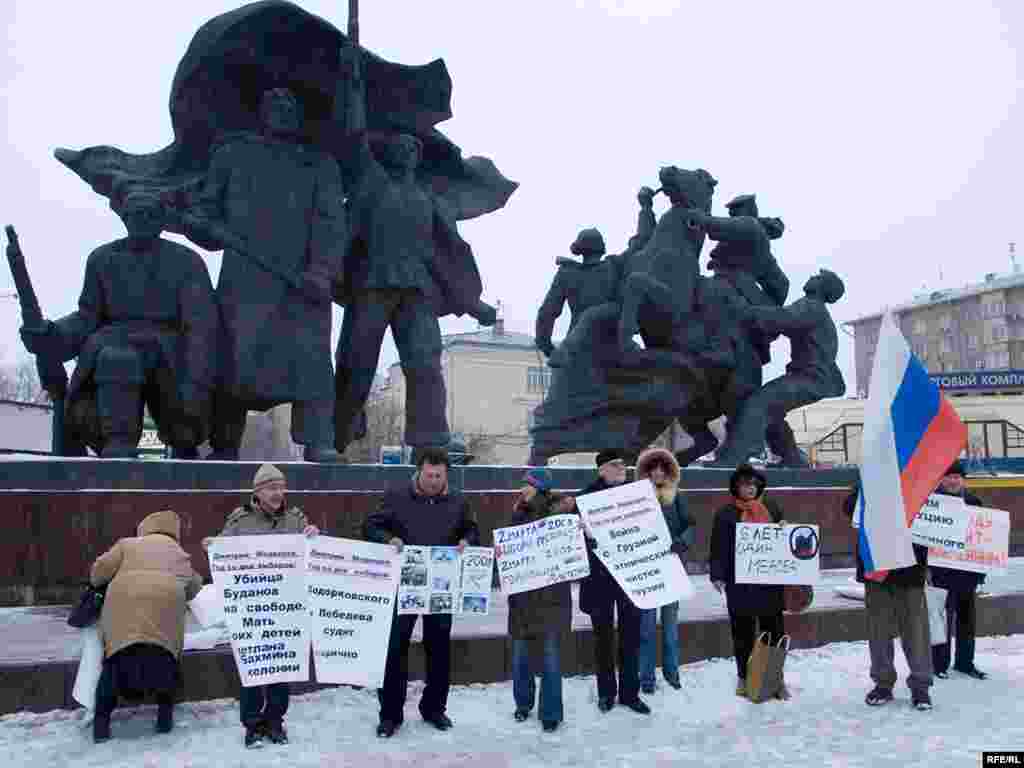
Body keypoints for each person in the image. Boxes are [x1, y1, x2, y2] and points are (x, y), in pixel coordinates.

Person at [333, 46, 496, 458]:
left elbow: (446, 257)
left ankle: (430, 443)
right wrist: (352, 83)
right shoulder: (372, 183)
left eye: (413, 148)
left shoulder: (430, 201)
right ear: (387, 153)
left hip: (416, 292)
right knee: (356, 365)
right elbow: (352, 136)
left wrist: (471, 303)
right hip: (371, 287)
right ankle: (335, 435)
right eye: (399, 146)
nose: (407, 150)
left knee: (425, 365)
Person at [189, 87, 347, 462]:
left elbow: (331, 224)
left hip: (303, 284)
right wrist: (202, 225)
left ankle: (317, 440)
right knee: (233, 359)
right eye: (273, 104)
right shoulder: (232, 155)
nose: (281, 111)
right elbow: (207, 213)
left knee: (310, 360)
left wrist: (322, 272)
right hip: (244, 280)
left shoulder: (319, 164)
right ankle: (224, 442)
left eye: (290, 105)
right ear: (261, 112)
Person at [18, 189, 219, 458]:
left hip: (169, 351)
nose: (141, 220)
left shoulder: (187, 262)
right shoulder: (102, 260)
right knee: (117, 359)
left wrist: (197, 381)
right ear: (124, 218)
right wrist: (51, 335)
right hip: (114, 344)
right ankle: (118, 447)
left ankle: (183, 443)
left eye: (149, 214)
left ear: (162, 219)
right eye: (134, 214)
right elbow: (87, 317)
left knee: (184, 428)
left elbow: (201, 328)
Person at [364, 448, 481, 738]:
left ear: (446, 475)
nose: (433, 480)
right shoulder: (396, 496)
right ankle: (390, 715)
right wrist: (388, 539)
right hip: (404, 584)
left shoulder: (458, 500)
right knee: (394, 650)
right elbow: (370, 525)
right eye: (429, 475)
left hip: (441, 584)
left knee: (439, 650)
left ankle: (434, 709)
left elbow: (472, 529)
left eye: (439, 476)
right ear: (419, 471)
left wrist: (467, 540)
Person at [204, 463, 321, 748]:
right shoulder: (240, 520)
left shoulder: (295, 519)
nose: (278, 493)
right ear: (257, 492)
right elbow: (224, 552)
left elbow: (310, 550)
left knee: (281, 669)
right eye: (272, 488)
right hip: (253, 611)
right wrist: (213, 546)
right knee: (254, 667)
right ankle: (253, 725)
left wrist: (314, 535)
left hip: (285, 609)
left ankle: (275, 722)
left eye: (281, 487)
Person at [711, 269, 846, 466]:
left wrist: (743, 311)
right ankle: (792, 458)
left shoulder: (812, 307)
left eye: (817, 277)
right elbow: (782, 320)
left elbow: (783, 319)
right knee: (772, 411)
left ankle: (734, 457)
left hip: (810, 379)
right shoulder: (812, 308)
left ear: (822, 287)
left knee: (759, 403)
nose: (810, 277)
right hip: (811, 378)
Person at [89, 509, 202, 743]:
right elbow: (194, 587)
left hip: (123, 610)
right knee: (166, 662)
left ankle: (101, 726)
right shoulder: (180, 553)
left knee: (114, 664)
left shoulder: (127, 544)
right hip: (164, 616)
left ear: (145, 528)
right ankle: (164, 719)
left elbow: (98, 573)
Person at [843, 476, 934, 711]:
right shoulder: (870, 471)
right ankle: (883, 683)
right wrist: (863, 491)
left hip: (910, 569)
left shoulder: (919, 471)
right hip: (876, 567)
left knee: (915, 631)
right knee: (879, 631)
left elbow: (938, 517)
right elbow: (849, 510)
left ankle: (920, 685)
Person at [576, 450, 650, 715]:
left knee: (631, 636)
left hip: (630, 576)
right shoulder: (584, 498)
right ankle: (606, 694)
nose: (621, 468)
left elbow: (649, 527)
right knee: (603, 638)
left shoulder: (636, 495)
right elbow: (574, 541)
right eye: (615, 464)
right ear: (601, 470)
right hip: (599, 579)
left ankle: (630, 694)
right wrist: (586, 538)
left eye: (623, 464)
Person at [709, 464, 790, 700]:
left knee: (774, 631)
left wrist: (784, 529)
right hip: (739, 582)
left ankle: (775, 679)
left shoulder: (772, 507)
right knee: (742, 632)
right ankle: (744, 677)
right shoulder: (726, 513)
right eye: (746, 484)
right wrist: (717, 574)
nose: (751, 488)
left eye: (754, 484)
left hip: (770, 581)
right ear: (736, 487)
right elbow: (718, 546)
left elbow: (784, 543)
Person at [507, 469, 575, 732]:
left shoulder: (560, 514)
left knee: (550, 659)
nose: (523, 488)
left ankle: (551, 713)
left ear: (539, 488)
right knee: (521, 659)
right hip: (523, 598)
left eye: (528, 484)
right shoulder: (518, 513)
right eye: (523, 483)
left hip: (551, 599)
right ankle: (523, 704)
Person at [635, 448, 695, 692]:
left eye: (662, 468)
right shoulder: (636, 499)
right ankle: (646, 679)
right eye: (653, 468)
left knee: (670, 630)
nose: (658, 472)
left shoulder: (676, 496)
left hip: (671, 568)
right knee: (646, 630)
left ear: (668, 471)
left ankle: (672, 676)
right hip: (648, 570)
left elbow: (690, 523)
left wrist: (682, 540)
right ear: (647, 472)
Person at [930, 460, 987, 680]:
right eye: (949, 476)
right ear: (941, 479)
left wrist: (981, 570)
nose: (953, 481)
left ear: (963, 480)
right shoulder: (932, 503)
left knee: (967, 620)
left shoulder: (974, 502)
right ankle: (939, 664)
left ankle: (965, 663)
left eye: (957, 477)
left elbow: (984, 539)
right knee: (943, 620)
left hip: (968, 571)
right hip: (942, 572)